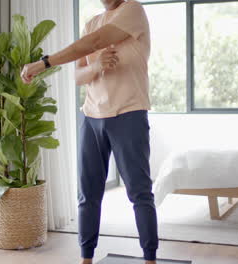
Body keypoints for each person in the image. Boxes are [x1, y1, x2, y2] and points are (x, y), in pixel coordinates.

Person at [20, 1, 159, 263]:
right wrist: (96, 67)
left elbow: (95, 42)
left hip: (129, 113)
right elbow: (79, 75)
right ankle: (86, 258)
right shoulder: (92, 22)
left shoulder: (133, 10)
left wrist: (44, 63)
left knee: (139, 192)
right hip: (92, 116)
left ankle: (149, 257)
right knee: (88, 194)